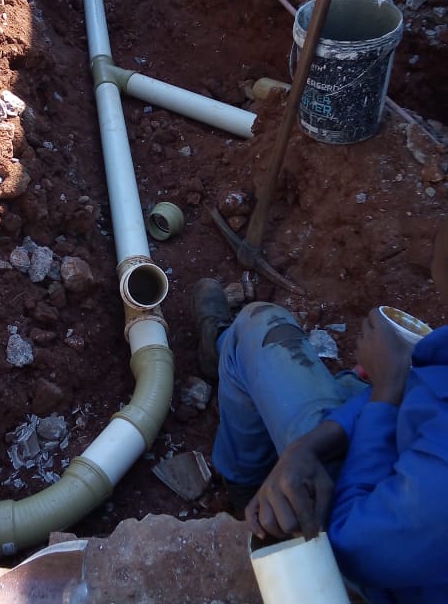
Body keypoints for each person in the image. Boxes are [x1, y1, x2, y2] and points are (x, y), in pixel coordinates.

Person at [192, 215, 448, 603]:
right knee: (348, 388)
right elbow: (428, 381)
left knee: (256, 327)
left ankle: (245, 483)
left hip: (372, 567)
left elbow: (354, 545)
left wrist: (385, 391)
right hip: (401, 480)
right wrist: (312, 444)